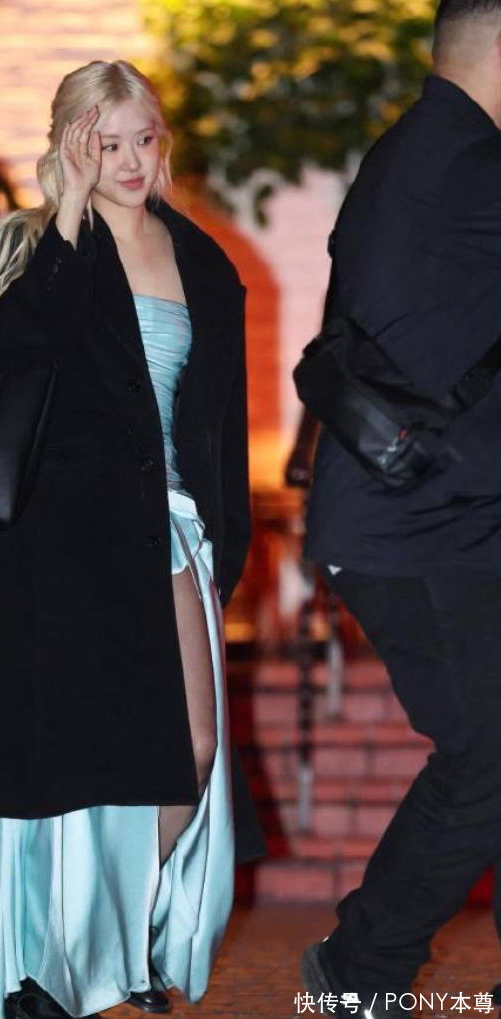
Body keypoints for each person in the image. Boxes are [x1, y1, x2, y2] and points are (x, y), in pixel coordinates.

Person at [0, 60, 263, 1019]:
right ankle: (77, 970)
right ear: (70, 146)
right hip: (67, 542)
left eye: (142, 139)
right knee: (82, 764)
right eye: (105, 143)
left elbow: (218, 416)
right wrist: (72, 215)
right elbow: (20, 346)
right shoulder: (45, 246)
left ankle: (111, 946)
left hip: (171, 527)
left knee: (193, 750)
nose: (128, 161)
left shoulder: (199, 256)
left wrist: (227, 539)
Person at [301, 1, 501, 1016]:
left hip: (432, 513)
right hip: (419, 524)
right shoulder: (466, 165)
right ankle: (356, 971)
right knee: (487, 756)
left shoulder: (417, 152)